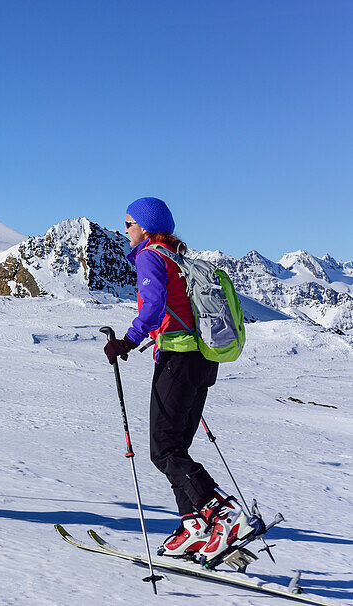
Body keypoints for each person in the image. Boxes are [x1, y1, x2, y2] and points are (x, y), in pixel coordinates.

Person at [103, 197, 252, 562]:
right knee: (175, 449)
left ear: (145, 226)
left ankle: (222, 513)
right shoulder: (178, 256)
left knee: (164, 450)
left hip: (179, 360)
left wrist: (128, 340)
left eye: (128, 223)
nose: (125, 231)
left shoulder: (151, 255)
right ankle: (193, 525)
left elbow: (151, 308)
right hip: (202, 360)